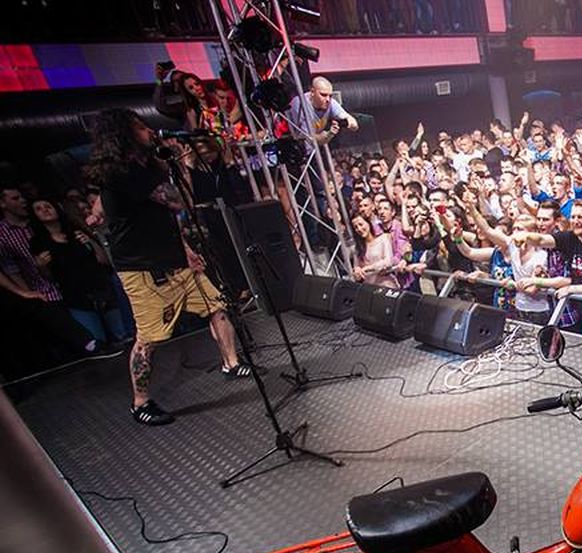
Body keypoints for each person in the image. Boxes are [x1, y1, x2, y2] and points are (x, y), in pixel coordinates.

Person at [85, 109, 249, 427]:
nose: (149, 131)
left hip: (175, 261)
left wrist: (186, 251)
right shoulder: (123, 172)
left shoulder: (144, 167)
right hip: (145, 271)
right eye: (140, 127)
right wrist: (182, 163)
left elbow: (163, 220)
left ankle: (231, 362)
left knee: (217, 306)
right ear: (123, 135)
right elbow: (177, 201)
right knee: (150, 337)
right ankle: (140, 402)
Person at [28, 199, 130, 345]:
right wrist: (41, 266)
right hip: (76, 297)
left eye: (48, 206)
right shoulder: (38, 242)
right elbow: (49, 277)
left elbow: (104, 260)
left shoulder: (75, 231)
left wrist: (90, 242)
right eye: (38, 209)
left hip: (100, 288)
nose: (45, 210)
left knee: (123, 335)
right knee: (96, 342)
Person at [526, 200, 582, 337]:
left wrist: (570, 289)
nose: (576, 221)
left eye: (581, 217)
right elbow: (542, 240)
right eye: (573, 217)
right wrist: (525, 236)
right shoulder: (570, 237)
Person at [287, 76, 359, 150]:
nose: (327, 99)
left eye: (330, 95)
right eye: (323, 95)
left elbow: (351, 121)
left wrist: (349, 123)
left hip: (312, 149)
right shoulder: (300, 104)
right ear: (312, 92)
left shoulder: (330, 102)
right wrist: (328, 135)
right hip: (291, 146)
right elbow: (308, 139)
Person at [350, 214, 396, 288]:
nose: (359, 229)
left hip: (386, 285)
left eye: (361, 224)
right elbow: (357, 272)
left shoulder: (383, 239)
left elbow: (388, 262)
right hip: (369, 288)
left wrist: (367, 268)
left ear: (368, 223)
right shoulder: (357, 248)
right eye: (356, 227)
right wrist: (357, 271)